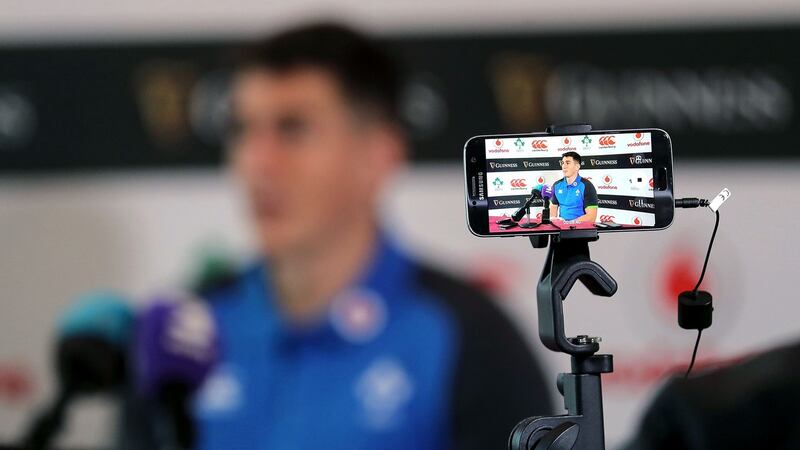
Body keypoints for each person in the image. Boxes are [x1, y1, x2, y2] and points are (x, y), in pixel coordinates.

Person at [187, 23, 553, 450]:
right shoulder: (186, 329)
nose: (258, 162)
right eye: (243, 130)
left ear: (379, 154)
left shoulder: (469, 336)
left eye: (292, 129)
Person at [549, 151, 598, 222]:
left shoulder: (587, 186)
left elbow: (591, 217)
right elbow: (552, 214)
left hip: (580, 230)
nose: (564, 166)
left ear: (577, 167)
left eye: (568, 163)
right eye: (562, 163)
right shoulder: (556, 185)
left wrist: (569, 224)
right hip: (562, 229)